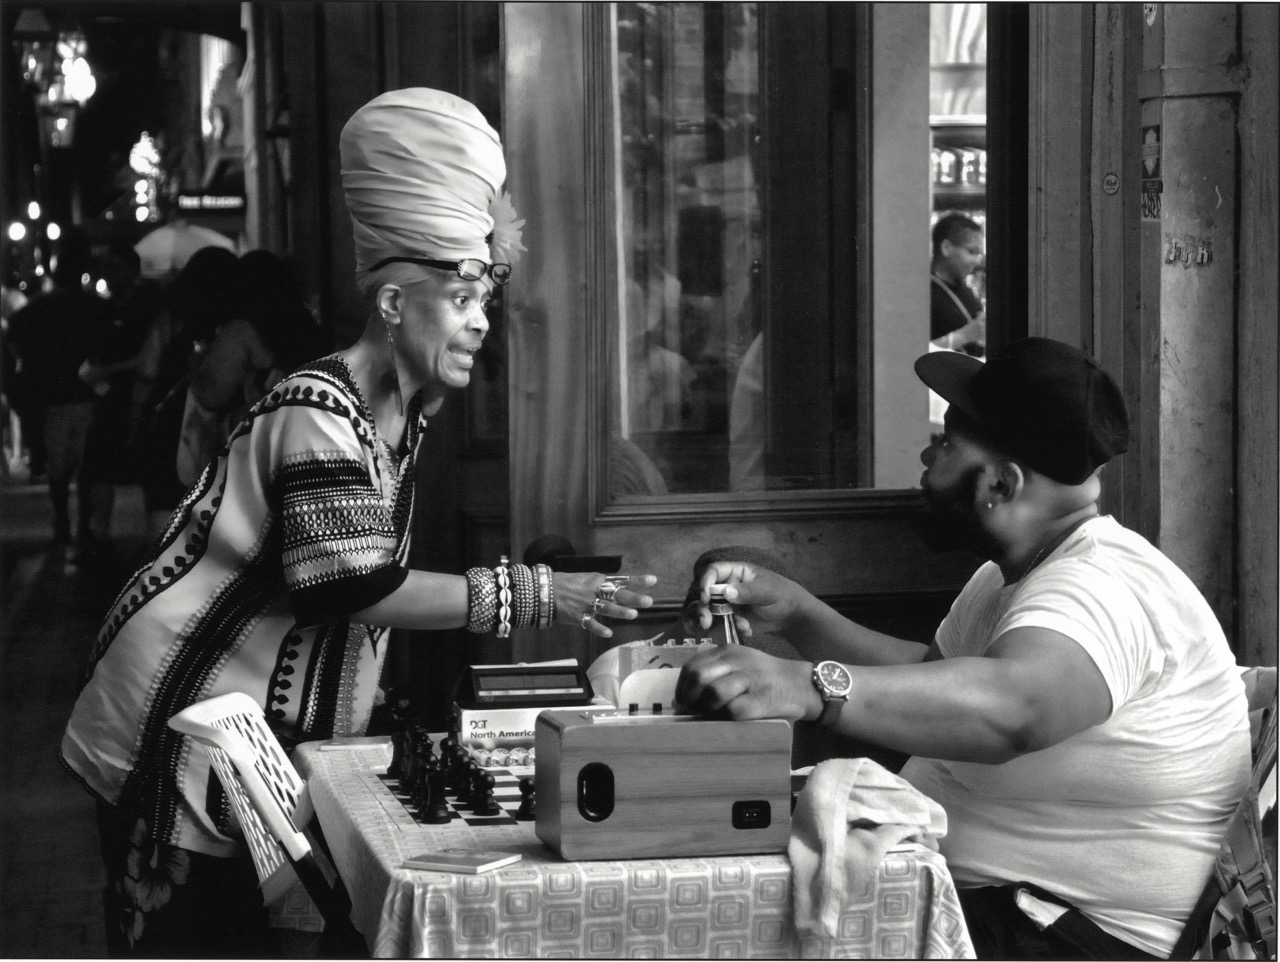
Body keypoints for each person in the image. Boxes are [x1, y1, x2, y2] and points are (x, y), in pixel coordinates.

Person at [61, 87, 656, 957]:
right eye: (461, 297)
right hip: (174, 715)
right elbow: (351, 585)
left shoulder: (401, 414)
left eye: (485, 298)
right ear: (393, 304)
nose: (480, 321)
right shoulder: (319, 412)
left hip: (246, 735)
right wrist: (536, 593)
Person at [674, 336, 1250, 960]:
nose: (928, 455)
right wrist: (798, 614)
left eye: (948, 444)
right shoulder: (1025, 570)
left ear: (1000, 482)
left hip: (1076, 940)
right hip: (1012, 917)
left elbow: (1013, 709)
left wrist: (807, 686)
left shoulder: (1098, 587)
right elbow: (936, 680)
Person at [7, 232, 111, 563]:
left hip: (53, 397)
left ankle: (64, 527)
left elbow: (18, 348)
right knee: (84, 467)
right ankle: (81, 528)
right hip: (86, 394)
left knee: (59, 469)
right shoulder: (97, 308)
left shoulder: (35, 312)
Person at [930, 211, 985, 354]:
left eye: (979, 254)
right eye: (972, 252)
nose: (976, 261)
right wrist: (963, 336)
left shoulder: (964, 289)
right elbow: (911, 353)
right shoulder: (924, 291)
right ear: (946, 248)